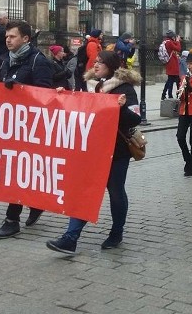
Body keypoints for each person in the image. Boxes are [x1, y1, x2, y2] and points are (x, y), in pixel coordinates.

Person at [46, 50, 141, 253]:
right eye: (95, 62)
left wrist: (122, 108)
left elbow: (135, 119)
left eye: (101, 62)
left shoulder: (124, 88)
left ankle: (116, 232)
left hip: (116, 150)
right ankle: (71, 238)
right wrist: (62, 97)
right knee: (83, 190)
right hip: (92, 149)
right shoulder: (90, 87)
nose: (95, 65)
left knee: (115, 192)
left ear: (112, 66)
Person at [0, 20, 55, 239]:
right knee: (15, 171)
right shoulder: (6, 61)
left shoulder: (39, 61)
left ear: (26, 39)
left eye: (13, 36)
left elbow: (46, 96)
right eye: (7, 36)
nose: (7, 39)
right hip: (11, 127)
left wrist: (21, 90)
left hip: (31, 129)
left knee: (18, 172)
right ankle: (36, 203)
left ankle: (12, 220)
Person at [161, 31, 181, 99]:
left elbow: (174, 45)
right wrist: (178, 41)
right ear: (172, 37)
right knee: (174, 80)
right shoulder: (169, 42)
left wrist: (176, 41)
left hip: (171, 63)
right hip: (172, 64)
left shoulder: (166, 41)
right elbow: (178, 48)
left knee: (170, 80)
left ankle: (165, 94)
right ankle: (171, 94)